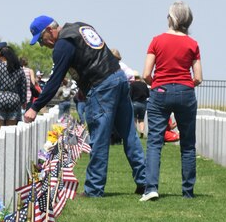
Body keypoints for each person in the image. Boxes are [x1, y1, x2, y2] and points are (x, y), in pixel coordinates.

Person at [24, 15, 146, 197]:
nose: (43, 45)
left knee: (99, 137)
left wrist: (36, 106)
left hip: (102, 85)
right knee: (129, 134)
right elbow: (91, 56)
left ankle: (94, 189)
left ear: (50, 30)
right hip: (119, 78)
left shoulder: (62, 44)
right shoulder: (80, 27)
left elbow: (56, 79)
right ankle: (145, 181)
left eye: (41, 40)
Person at [140, 1, 202, 201]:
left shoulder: (157, 41)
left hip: (160, 90)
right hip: (185, 91)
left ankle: (151, 188)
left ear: (171, 18)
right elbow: (199, 77)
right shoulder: (193, 44)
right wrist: (185, 85)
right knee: (188, 143)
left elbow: (146, 74)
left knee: (155, 142)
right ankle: (187, 191)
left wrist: (156, 83)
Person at [0, 45, 27, 130]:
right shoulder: (19, 69)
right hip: (14, 99)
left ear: (3, 56)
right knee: (11, 129)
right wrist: (23, 101)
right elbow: (23, 86)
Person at [130, 73, 149, 137]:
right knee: (141, 119)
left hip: (135, 103)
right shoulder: (144, 85)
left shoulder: (132, 84)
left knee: (134, 119)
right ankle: (142, 131)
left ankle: (135, 132)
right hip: (143, 104)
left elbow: (130, 95)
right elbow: (148, 95)